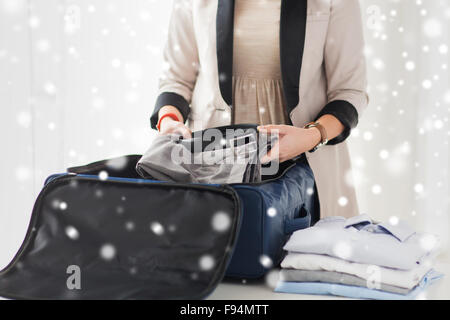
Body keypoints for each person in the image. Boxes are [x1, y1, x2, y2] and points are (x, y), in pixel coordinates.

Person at [150, 0, 369, 219]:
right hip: (212, 169)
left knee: (304, 247)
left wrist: (313, 135)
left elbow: (349, 91)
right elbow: (176, 80)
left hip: (305, 171)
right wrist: (169, 120)